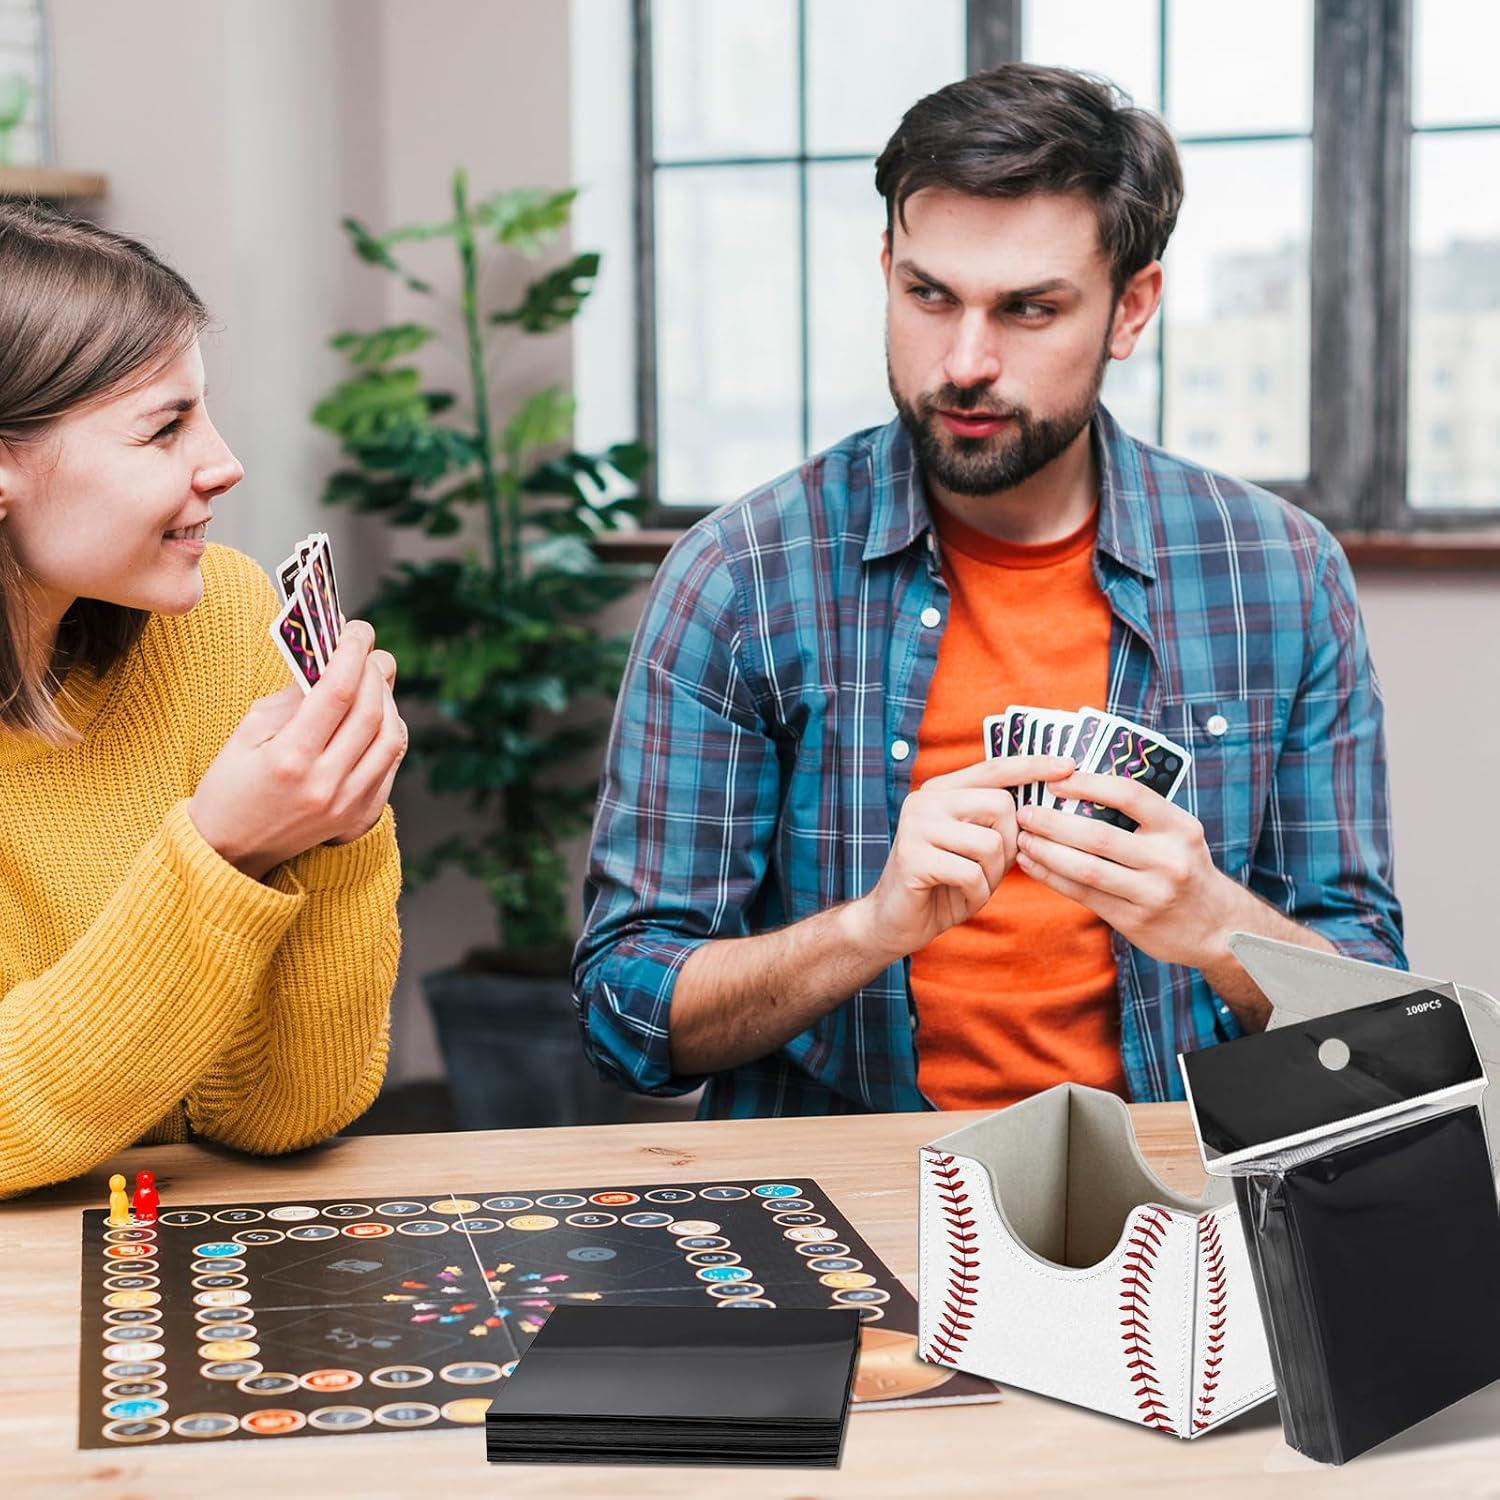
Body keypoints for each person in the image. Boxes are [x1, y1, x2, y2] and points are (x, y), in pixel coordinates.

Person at [574, 64, 1404, 1120]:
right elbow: (625, 1010)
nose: (964, 362)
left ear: (1130, 306)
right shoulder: (740, 577)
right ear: (885, 267)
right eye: (929, 295)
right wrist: (867, 929)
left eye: (1029, 309)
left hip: (1173, 1196)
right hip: (850, 1202)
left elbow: (1378, 1020)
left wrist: (1215, 928)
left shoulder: (1281, 575)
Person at [0, 200, 406, 1196]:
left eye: (205, 411)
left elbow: (282, 1115)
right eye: (165, 427)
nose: (224, 463)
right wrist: (222, 852)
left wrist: (335, 837)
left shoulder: (215, 614)